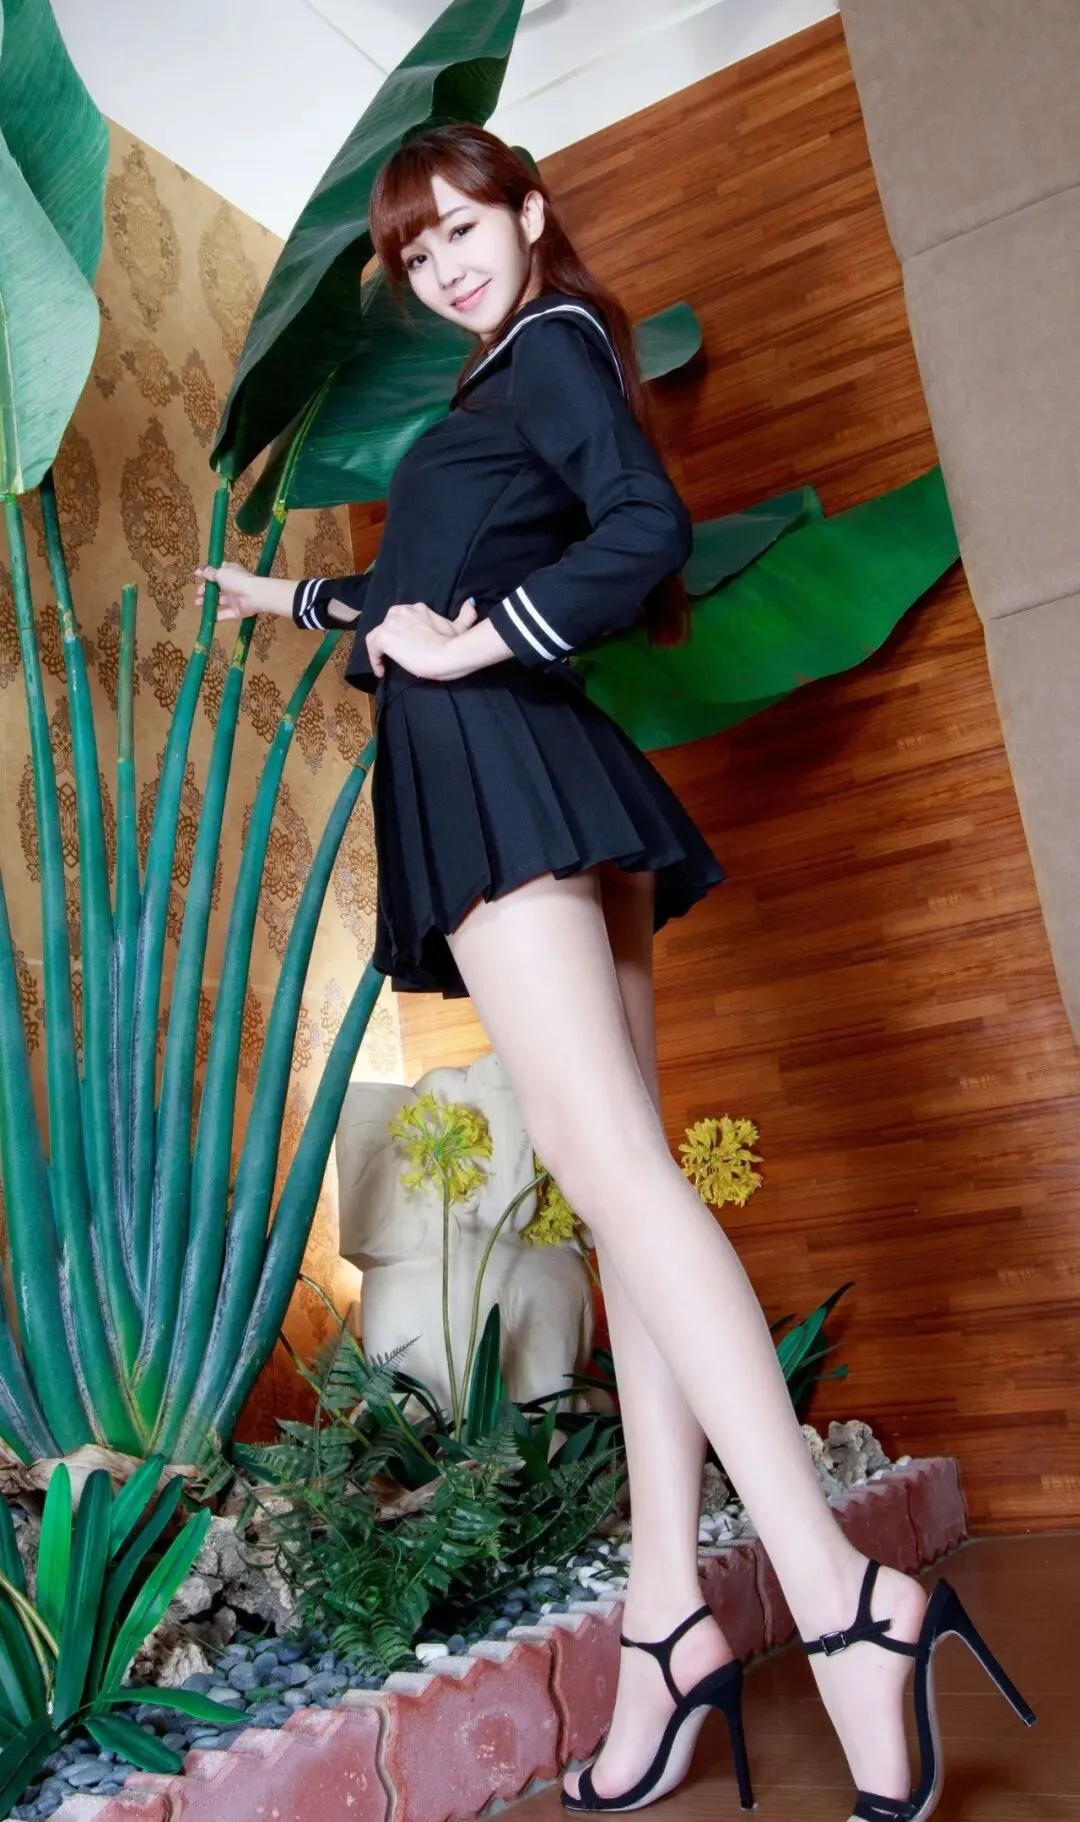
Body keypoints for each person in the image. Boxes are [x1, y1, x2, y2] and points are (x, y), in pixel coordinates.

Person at [195, 125, 1032, 1821]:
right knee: (628, 1185)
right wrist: (291, 597)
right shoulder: (505, 376)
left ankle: (840, 1595)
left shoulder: (557, 340)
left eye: (461, 227)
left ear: (529, 212)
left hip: (502, 768)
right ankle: (666, 1614)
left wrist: (479, 645)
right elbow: (423, 588)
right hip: (545, 765)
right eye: (415, 250)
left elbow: (643, 525)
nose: (442, 265)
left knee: (614, 1178)